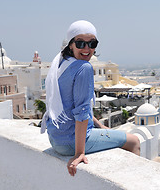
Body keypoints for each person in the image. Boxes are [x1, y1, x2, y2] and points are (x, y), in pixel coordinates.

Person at [41, 20, 140, 177]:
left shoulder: (62, 63)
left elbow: (76, 105)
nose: (87, 49)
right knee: (133, 141)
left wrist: (101, 126)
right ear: (71, 44)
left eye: (92, 43)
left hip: (55, 139)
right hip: (70, 143)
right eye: (80, 43)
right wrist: (79, 152)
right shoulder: (83, 68)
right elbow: (80, 112)